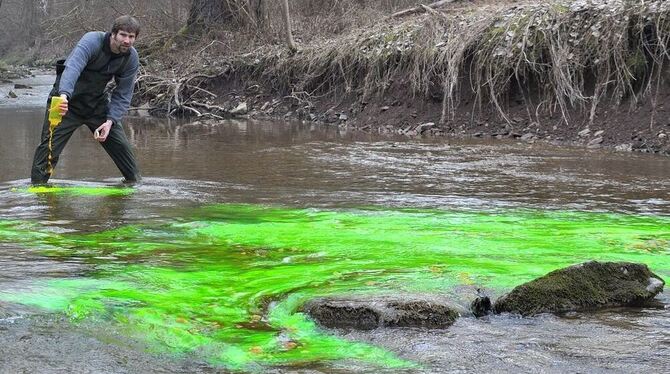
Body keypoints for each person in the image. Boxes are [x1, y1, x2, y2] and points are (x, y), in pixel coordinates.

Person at [31, 15, 141, 184]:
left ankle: (131, 191)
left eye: (131, 37)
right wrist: (64, 96)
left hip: (96, 105)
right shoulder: (92, 41)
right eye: (123, 35)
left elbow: (123, 93)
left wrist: (111, 121)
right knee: (48, 151)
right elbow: (72, 67)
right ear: (113, 34)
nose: (127, 40)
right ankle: (39, 194)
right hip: (64, 102)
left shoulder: (131, 58)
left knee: (126, 157)